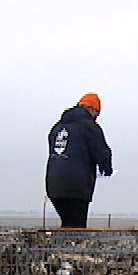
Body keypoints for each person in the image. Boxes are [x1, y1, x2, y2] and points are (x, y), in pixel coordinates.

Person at [45, 93, 112, 228]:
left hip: (53, 184)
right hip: (76, 185)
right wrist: (106, 167)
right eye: (96, 114)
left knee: (68, 222)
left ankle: (63, 239)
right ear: (92, 110)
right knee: (77, 225)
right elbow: (101, 152)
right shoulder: (89, 126)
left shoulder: (57, 127)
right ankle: (70, 240)